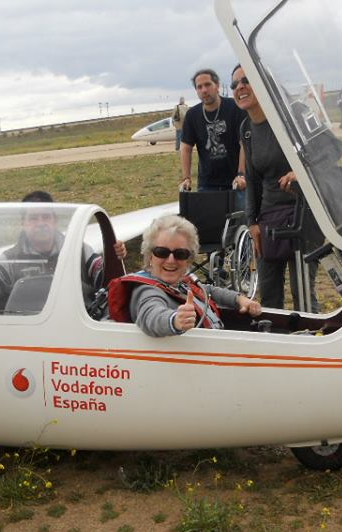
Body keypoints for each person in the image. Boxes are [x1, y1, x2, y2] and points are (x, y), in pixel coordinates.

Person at [231, 64, 322, 312]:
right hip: (269, 219)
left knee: (302, 292)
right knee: (269, 296)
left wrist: (301, 171)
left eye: (246, 80)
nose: (240, 87)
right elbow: (252, 179)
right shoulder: (246, 129)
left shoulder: (294, 113)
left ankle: (312, 342)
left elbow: (332, 149)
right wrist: (252, 222)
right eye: (235, 84)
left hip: (304, 214)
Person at [0, 191, 126, 311]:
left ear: (54, 221)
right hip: (31, 332)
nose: (40, 223)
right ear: (23, 224)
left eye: (46, 217)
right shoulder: (12, 258)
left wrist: (115, 256)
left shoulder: (77, 250)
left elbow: (101, 272)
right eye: (33, 218)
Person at [108, 215, 260, 336]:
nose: (171, 260)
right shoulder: (147, 290)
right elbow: (151, 315)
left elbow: (208, 291)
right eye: (162, 252)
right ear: (149, 256)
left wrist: (239, 299)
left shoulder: (180, 283)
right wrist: (175, 320)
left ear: (189, 259)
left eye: (180, 254)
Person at [179, 69, 248, 195]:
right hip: (207, 184)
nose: (204, 90)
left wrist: (241, 174)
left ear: (217, 86)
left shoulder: (235, 108)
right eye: (199, 87)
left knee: (241, 214)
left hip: (236, 182)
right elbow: (185, 147)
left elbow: (244, 143)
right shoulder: (192, 115)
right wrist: (186, 178)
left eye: (207, 84)